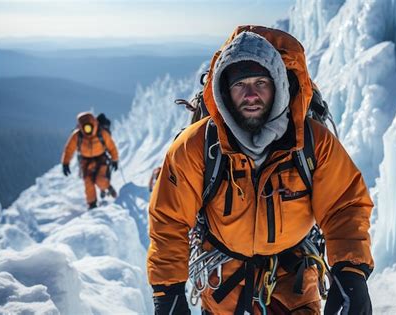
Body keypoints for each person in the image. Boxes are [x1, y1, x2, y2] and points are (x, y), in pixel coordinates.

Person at [147, 25, 374, 315]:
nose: (251, 94)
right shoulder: (197, 146)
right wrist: (169, 291)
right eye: (240, 85)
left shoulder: (313, 143)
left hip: (293, 282)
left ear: (278, 83)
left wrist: (350, 272)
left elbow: (345, 204)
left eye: (260, 82)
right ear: (224, 92)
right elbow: (169, 219)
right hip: (223, 286)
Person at [62, 112, 119, 209]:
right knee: (88, 181)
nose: (87, 130)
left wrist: (115, 159)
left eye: (89, 127)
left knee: (100, 180)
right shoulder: (77, 135)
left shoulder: (102, 133)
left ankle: (108, 187)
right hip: (85, 161)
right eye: (85, 127)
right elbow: (69, 149)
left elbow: (111, 146)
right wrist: (65, 163)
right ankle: (92, 204)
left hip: (101, 158)